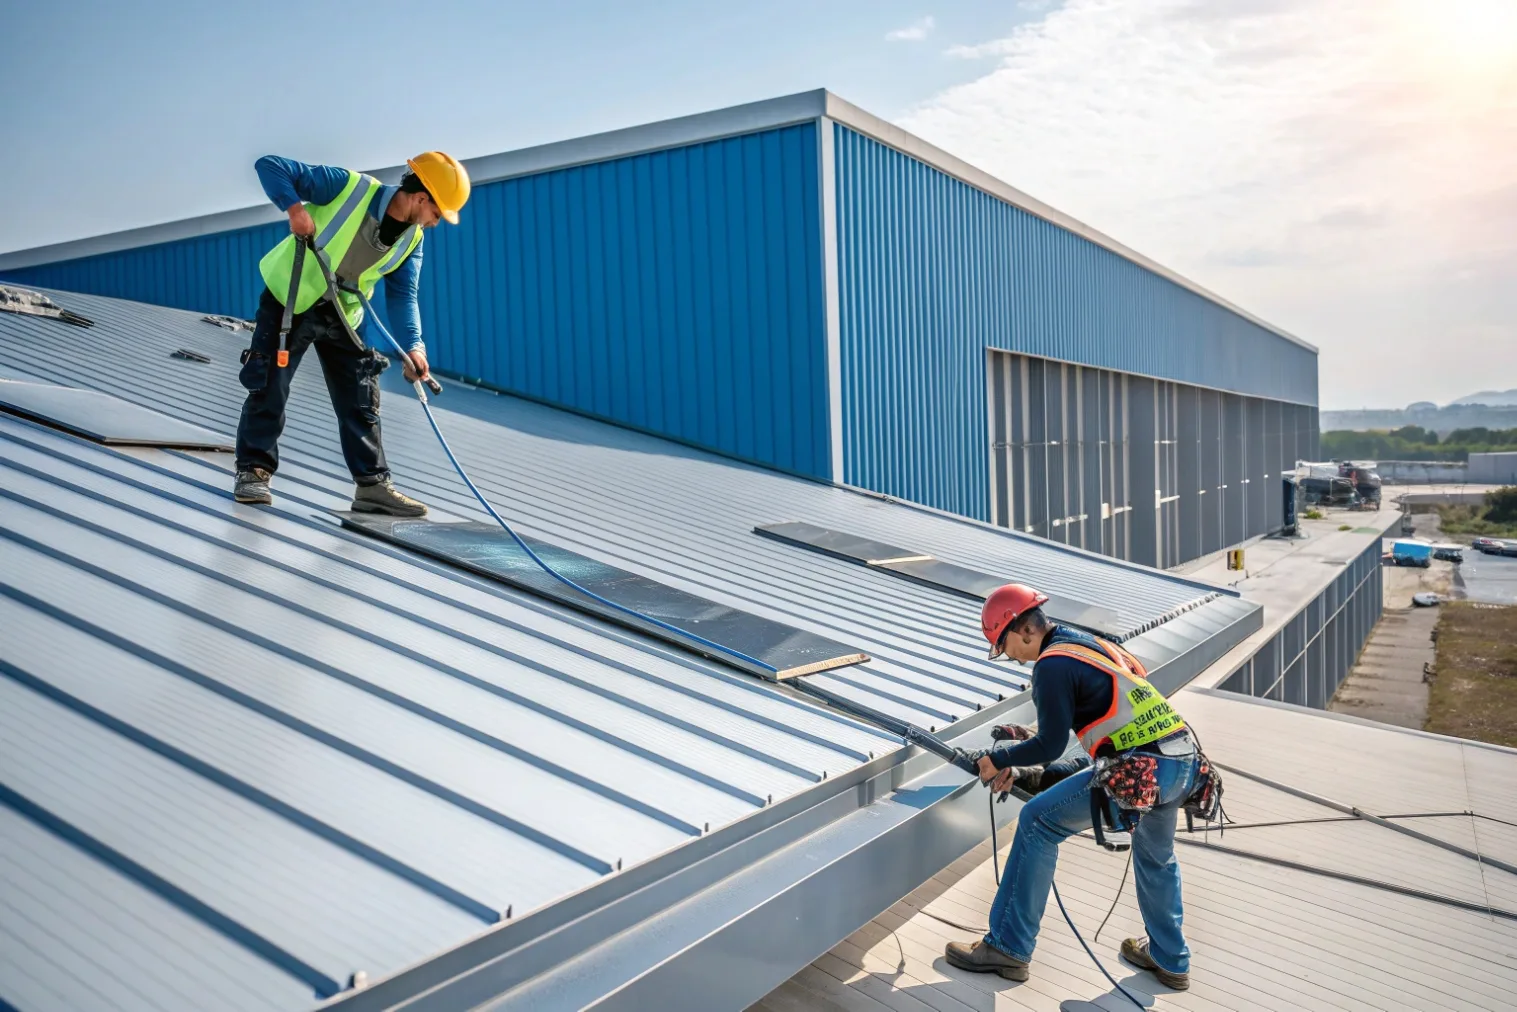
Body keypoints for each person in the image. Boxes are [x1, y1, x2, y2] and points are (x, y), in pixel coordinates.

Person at [944, 583, 1199, 991]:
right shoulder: (1088, 646)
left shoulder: (1050, 665)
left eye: (1005, 646)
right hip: (1181, 761)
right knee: (1156, 856)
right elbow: (1087, 741)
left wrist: (1000, 759)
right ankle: (1170, 959)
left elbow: (1050, 744)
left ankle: (1008, 947)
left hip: (1139, 767)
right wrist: (1026, 761)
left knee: (1037, 822)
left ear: (1024, 629)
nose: (1010, 657)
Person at [232, 151, 471, 515]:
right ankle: (253, 472)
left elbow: (404, 295)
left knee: (360, 395)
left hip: (344, 312)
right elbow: (270, 165)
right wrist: (295, 210)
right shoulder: (349, 187)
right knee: (270, 382)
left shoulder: (412, 240)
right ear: (422, 198)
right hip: (292, 297)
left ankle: (372, 486)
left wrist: (414, 347)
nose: (435, 223)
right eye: (438, 214)